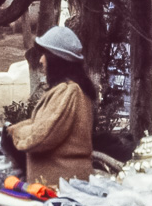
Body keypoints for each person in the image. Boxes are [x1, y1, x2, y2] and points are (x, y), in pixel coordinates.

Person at [6, 26, 96, 186]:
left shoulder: (68, 92)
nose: (41, 60)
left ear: (56, 59)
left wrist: (15, 131)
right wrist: (14, 128)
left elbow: (41, 137)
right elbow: (44, 124)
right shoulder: (71, 90)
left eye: (45, 54)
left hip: (61, 187)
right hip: (61, 184)